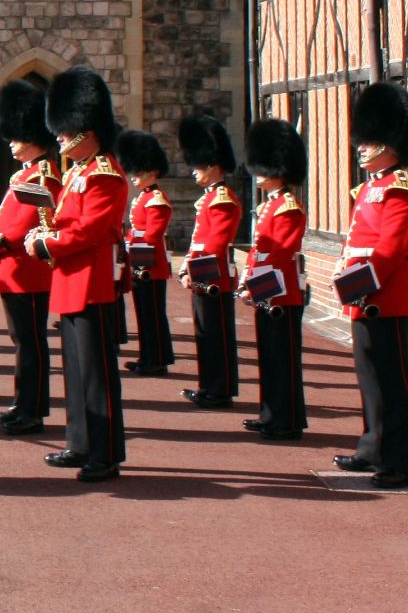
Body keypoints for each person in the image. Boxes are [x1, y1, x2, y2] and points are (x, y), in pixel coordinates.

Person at [26, 67, 129, 482]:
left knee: (97, 373)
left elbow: (89, 230)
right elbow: (70, 223)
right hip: (71, 279)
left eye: (67, 133)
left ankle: (105, 454)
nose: (61, 139)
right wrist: (44, 231)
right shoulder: (78, 174)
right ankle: (80, 441)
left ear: (89, 130)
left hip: (92, 279)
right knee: (74, 368)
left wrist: (48, 243)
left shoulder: (104, 174)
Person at [335, 81, 408, 488]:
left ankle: (398, 459)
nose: (361, 148)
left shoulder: (398, 187)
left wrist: (362, 284)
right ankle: (372, 447)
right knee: (369, 378)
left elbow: (392, 247)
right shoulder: (370, 187)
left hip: (389, 299)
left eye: (370, 140)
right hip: (363, 296)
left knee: (394, 384)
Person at [0, 80, 62, 436]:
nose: (12, 143)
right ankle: (22, 403)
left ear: (34, 137)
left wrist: (2, 240)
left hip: (28, 268)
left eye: (18, 137)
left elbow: (33, 220)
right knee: (22, 342)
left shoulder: (44, 173)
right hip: (14, 266)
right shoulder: (26, 173)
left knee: (31, 342)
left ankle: (32, 410)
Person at [240, 118, 308, 442]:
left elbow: (280, 256)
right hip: (266, 291)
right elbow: (258, 251)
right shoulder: (270, 206)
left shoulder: (288, 207)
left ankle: (288, 419)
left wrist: (255, 286)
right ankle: (270, 414)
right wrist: (248, 281)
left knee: (283, 360)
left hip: (282, 294)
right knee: (269, 357)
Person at [177, 114, 241, 410]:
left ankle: (221, 388)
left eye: (198, 166)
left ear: (213, 167)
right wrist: (186, 266)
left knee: (217, 335)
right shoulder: (208, 199)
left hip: (213, 277)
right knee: (205, 333)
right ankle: (209, 385)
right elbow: (199, 240)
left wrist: (195, 270)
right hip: (203, 275)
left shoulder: (223, 199)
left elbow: (216, 244)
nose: (194, 172)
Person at [116, 129, 175, 376]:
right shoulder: (144, 197)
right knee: (144, 314)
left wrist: (131, 246)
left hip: (150, 265)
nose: (134, 177)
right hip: (140, 262)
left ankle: (157, 359)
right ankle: (148, 355)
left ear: (153, 173)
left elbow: (152, 235)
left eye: (139, 173)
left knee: (153, 315)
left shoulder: (157, 200)